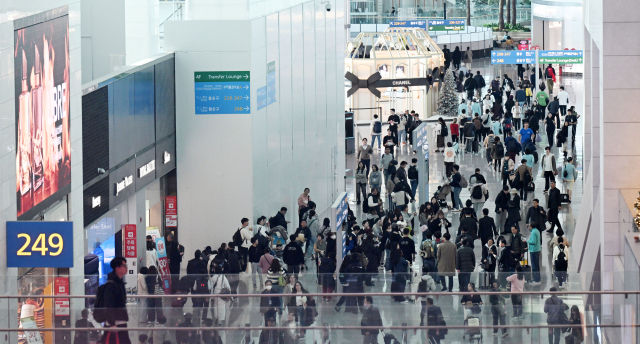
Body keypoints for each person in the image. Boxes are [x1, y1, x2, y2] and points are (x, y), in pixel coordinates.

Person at [99, 257, 131, 344]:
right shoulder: (111, 285)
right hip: (115, 323)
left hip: (119, 321)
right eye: (124, 265)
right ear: (117, 268)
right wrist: (112, 323)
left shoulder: (119, 283)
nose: (126, 267)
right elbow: (108, 305)